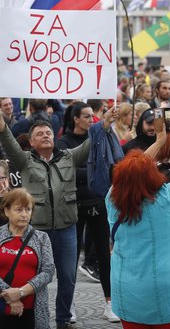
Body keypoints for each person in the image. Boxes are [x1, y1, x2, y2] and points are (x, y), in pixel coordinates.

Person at [0, 112, 96, 329]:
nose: (45, 136)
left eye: (48, 132)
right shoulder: (23, 159)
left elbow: (93, 143)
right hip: (35, 231)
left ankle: (63, 319)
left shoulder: (69, 157)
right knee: (36, 279)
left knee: (68, 278)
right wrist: (3, 126)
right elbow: (8, 141)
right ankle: (32, 319)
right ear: (31, 141)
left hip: (66, 229)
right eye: (39, 134)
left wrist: (106, 124)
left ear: (54, 137)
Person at [107, 122, 170, 327]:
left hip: (126, 288)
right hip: (164, 289)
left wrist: (159, 142)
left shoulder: (112, 198)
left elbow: (133, 172)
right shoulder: (166, 199)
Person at [56, 103, 118, 322]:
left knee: (104, 254)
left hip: (98, 202)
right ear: (75, 119)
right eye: (87, 116)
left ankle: (110, 303)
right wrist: (93, 170)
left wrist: (91, 170)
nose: (92, 119)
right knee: (70, 257)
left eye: (93, 116)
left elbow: (107, 166)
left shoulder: (96, 136)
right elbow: (68, 171)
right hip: (74, 204)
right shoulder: (64, 142)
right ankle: (69, 303)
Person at [0, 189, 55, 329]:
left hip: (33, 309)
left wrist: (21, 292)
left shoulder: (41, 238)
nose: (24, 214)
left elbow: (48, 271)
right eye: (18, 210)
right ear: (7, 211)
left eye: (28, 209)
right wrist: (11, 297)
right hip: (3, 306)